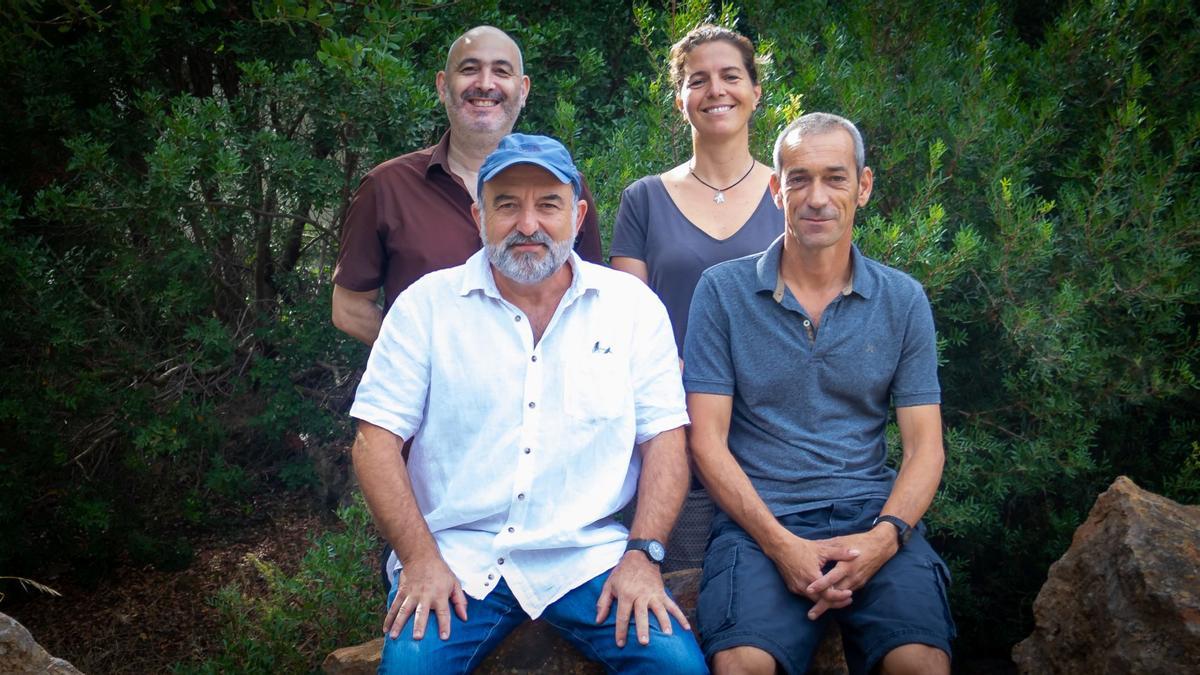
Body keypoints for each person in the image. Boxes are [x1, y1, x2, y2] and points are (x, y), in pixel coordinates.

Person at [349, 133, 708, 674]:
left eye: (548, 205)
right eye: (507, 205)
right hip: (457, 557)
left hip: (587, 558)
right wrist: (420, 560)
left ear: (579, 214)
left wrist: (644, 554)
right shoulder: (425, 306)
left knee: (678, 668)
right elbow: (374, 443)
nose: (527, 224)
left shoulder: (631, 307)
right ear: (478, 215)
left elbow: (665, 440)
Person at [683, 112, 954, 675]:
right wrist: (781, 545)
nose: (817, 197)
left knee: (921, 663)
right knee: (741, 665)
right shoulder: (723, 293)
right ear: (776, 189)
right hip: (761, 523)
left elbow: (926, 448)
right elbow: (706, 441)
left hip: (871, 515)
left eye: (836, 178)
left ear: (864, 186)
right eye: (799, 178)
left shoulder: (902, 300)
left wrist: (884, 539)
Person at [610, 24, 783, 571]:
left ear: (756, 91)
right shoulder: (643, 200)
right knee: (680, 587)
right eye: (697, 80)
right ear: (680, 98)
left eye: (731, 76)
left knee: (771, 577)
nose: (716, 91)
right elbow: (626, 322)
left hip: (774, 430)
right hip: (674, 427)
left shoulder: (793, 193)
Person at [331, 25, 602, 346]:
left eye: (501, 71)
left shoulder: (566, 187)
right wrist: (423, 360)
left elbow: (591, 301)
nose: (485, 84)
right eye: (469, 69)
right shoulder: (387, 187)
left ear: (524, 89)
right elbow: (348, 308)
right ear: (443, 85)